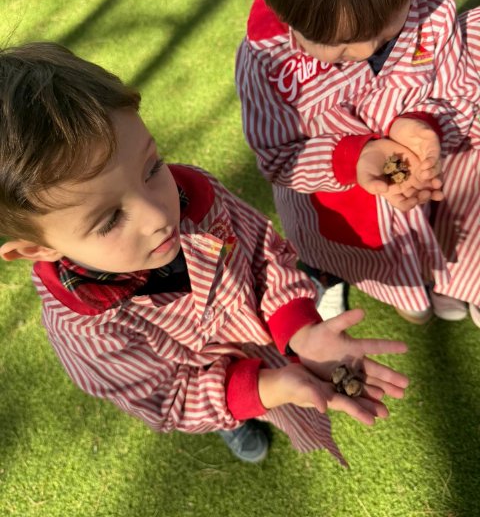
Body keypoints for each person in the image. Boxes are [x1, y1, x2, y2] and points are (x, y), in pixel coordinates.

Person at [0, 43, 410, 465]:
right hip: (209, 382)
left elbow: (263, 254)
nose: (159, 216)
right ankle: (230, 420)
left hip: (269, 334)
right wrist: (268, 389)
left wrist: (299, 329)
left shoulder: (196, 198)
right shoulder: (87, 331)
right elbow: (170, 396)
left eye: (151, 168)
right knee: (228, 406)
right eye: (109, 220)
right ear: (37, 248)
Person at [235, 0, 480, 325]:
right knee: (372, 263)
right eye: (337, 43)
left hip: (425, 191)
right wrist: (353, 157)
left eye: (384, 29)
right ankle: (359, 282)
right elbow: (280, 156)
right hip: (342, 203)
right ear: (281, 10)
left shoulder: (431, 5)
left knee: (437, 224)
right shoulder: (269, 64)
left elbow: (456, 87)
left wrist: (422, 121)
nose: (365, 50)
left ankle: (443, 277)